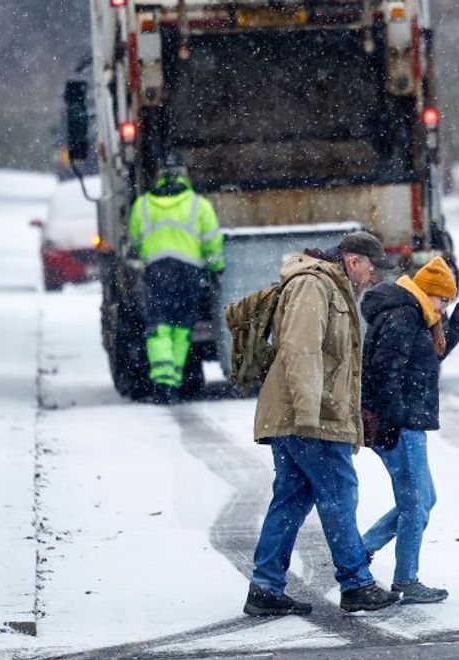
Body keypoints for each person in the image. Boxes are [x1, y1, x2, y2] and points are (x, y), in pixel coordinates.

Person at [244, 232, 403, 616]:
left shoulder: (327, 287)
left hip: (304, 415)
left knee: (292, 499)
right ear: (352, 261)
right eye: (371, 268)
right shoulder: (314, 287)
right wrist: (308, 414)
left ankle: (265, 587)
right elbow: (302, 351)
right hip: (309, 418)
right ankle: (356, 583)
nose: (373, 277)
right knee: (339, 495)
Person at [359, 257, 459, 604]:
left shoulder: (412, 314)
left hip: (406, 421)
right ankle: (406, 580)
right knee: (415, 503)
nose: (443, 309)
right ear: (428, 292)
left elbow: (421, 361)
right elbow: (386, 370)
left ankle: (361, 549)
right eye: (443, 301)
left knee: (424, 499)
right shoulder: (404, 316)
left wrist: (453, 330)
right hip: (402, 425)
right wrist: (394, 418)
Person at [128, 153, 222, 404]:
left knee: (158, 327)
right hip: (188, 274)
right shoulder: (198, 205)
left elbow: (135, 242)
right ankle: (175, 383)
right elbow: (212, 242)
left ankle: (162, 382)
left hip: (157, 272)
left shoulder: (143, 205)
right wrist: (217, 267)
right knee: (182, 328)